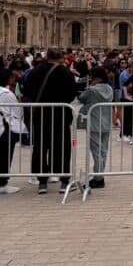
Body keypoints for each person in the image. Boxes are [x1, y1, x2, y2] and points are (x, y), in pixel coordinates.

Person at [23, 48, 78, 194]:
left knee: (40, 146)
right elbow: (72, 94)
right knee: (62, 147)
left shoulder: (35, 71)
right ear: (60, 57)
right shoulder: (66, 72)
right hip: (60, 113)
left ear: (47, 57)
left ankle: (42, 182)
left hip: (41, 113)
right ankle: (64, 182)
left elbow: (27, 91)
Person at [77, 66, 114, 189]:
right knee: (103, 150)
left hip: (93, 122)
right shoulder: (109, 88)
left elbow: (81, 98)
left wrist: (90, 85)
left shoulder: (92, 90)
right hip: (106, 122)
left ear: (96, 77)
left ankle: (99, 178)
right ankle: (100, 174)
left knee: (96, 151)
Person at [0, 67, 26, 194]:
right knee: (5, 155)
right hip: (5, 127)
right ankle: (2, 183)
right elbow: (17, 112)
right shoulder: (7, 94)